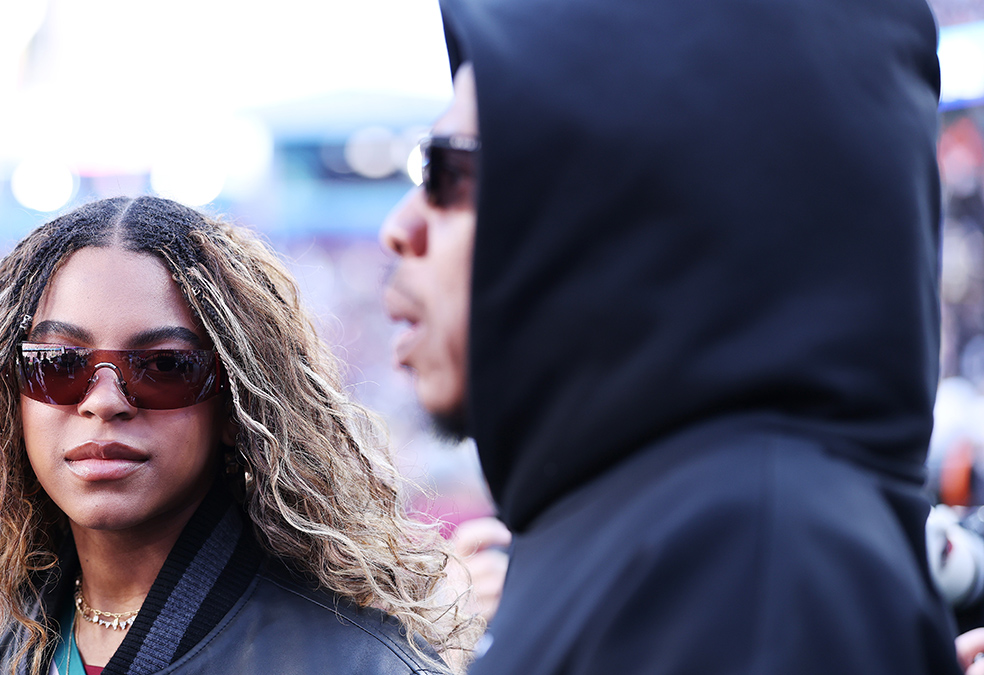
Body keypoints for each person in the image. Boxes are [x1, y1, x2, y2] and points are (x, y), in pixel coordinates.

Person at [380, 0, 960, 672]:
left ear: (624, 194)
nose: (401, 225)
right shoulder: (642, 531)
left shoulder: (747, 563)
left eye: (446, 171)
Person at [0, 196, 475, 675]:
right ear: (10, 397)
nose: (103, 401)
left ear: (235, 405)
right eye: (59, 364)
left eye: (163, 367)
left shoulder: (357, 663)